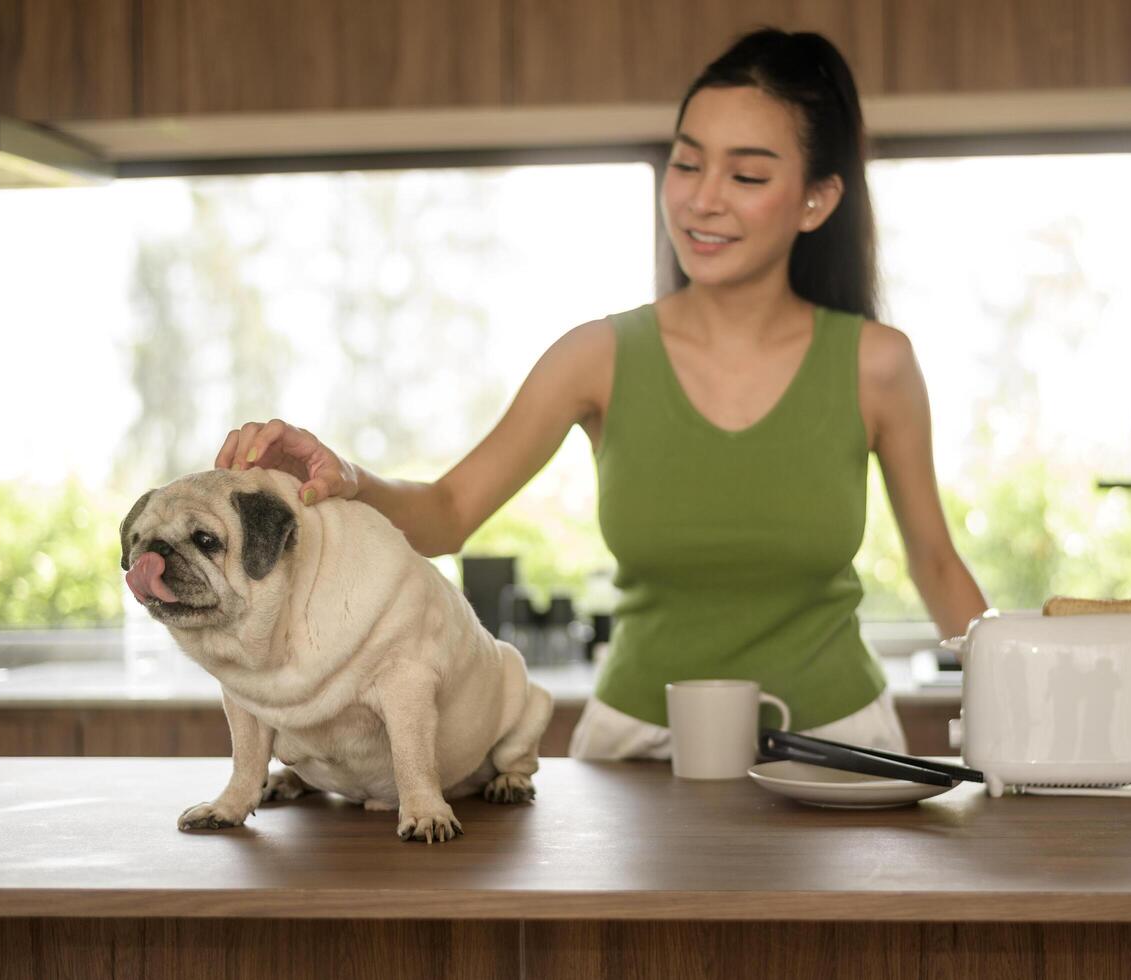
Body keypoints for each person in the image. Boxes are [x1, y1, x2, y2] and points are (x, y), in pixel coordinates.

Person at [215, 28, 987, 761]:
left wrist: (1014, 713)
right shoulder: (598, 357)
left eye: (746, 176)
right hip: (639, 747)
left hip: (837, 741)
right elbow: (448, 513)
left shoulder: (875, 364)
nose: (702, 200)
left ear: (816, 201)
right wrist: (346, 478)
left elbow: (936, 564)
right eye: (686, 165)